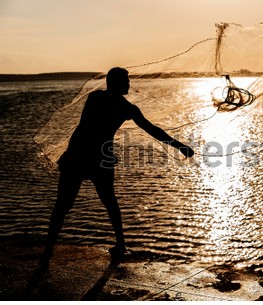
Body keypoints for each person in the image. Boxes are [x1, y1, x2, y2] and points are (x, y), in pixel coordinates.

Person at [41, 67, 194, 264]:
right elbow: (151, 130)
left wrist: (180, 146)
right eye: (126, 80)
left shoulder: (102, 100)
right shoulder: (120, 106)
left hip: (82, 156)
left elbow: (152, 130)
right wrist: (180, 146)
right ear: (115, 83)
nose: (129, 84)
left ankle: (49, 251)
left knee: (71, 204)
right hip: (90, 158)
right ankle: (118, 244)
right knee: (99, 202)